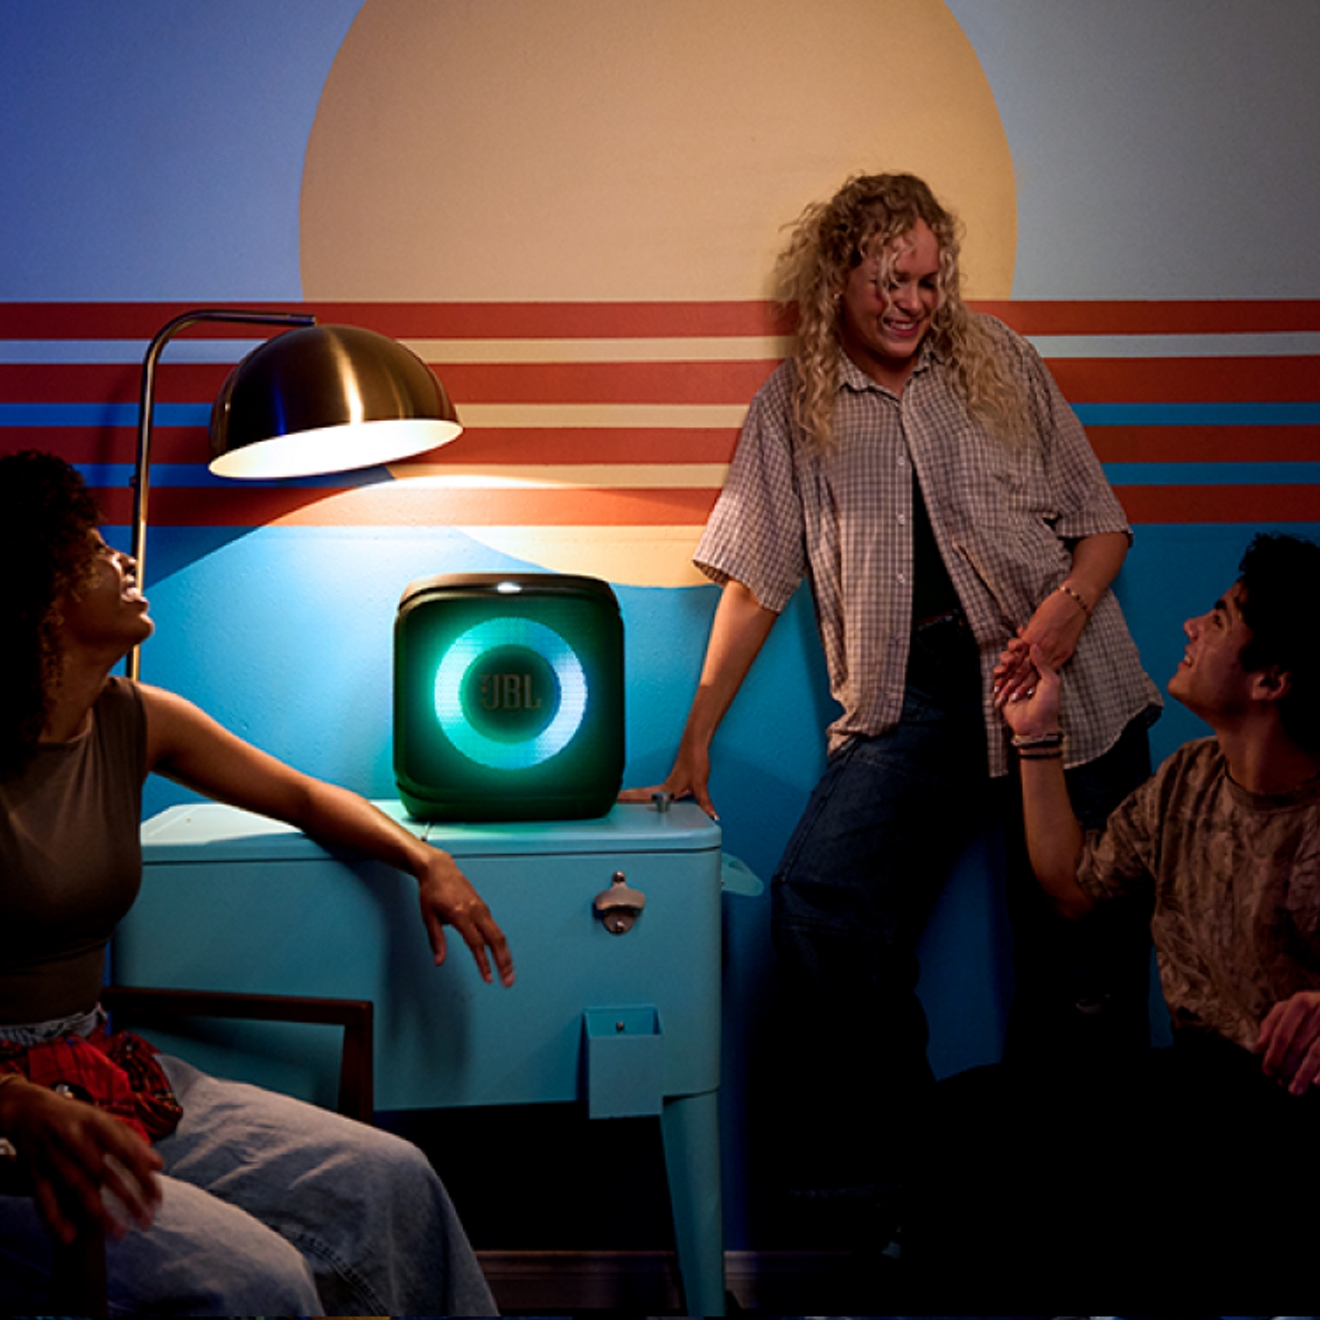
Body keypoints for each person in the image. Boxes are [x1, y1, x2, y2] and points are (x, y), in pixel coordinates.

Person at [624, 172, 1161, 1250]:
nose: (913, 303)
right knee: (819, 905)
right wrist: (695, 741)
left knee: (1084, 965)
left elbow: (1101, 525)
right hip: (911, 698)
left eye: (927, 279)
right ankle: (903, 1194)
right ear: (839, 277)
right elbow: (755, 581)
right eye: (889, 282)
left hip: (1066, 677)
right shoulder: (794, 407)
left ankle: (1083, 1235)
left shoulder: (1000, 359)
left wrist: (1062, 618)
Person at [0, 450, 514, 1315]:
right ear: (39, 593)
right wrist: (14, 1104)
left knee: (394, 1181)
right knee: (259, 1282)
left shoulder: (134, 719)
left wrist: (426, 860)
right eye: (91, 551)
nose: (124, 559)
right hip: (21, 1128)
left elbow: (304, 797)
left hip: (106, 1075)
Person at [917, 532, 1320, 1308]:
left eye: (1219, 618)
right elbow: (1073, 885)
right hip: (1198, 1083)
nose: (1191, 627)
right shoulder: (1190, 778)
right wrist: (1037, 738)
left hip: (1287, 1120)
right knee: (961, 1128)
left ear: (1272, 679)